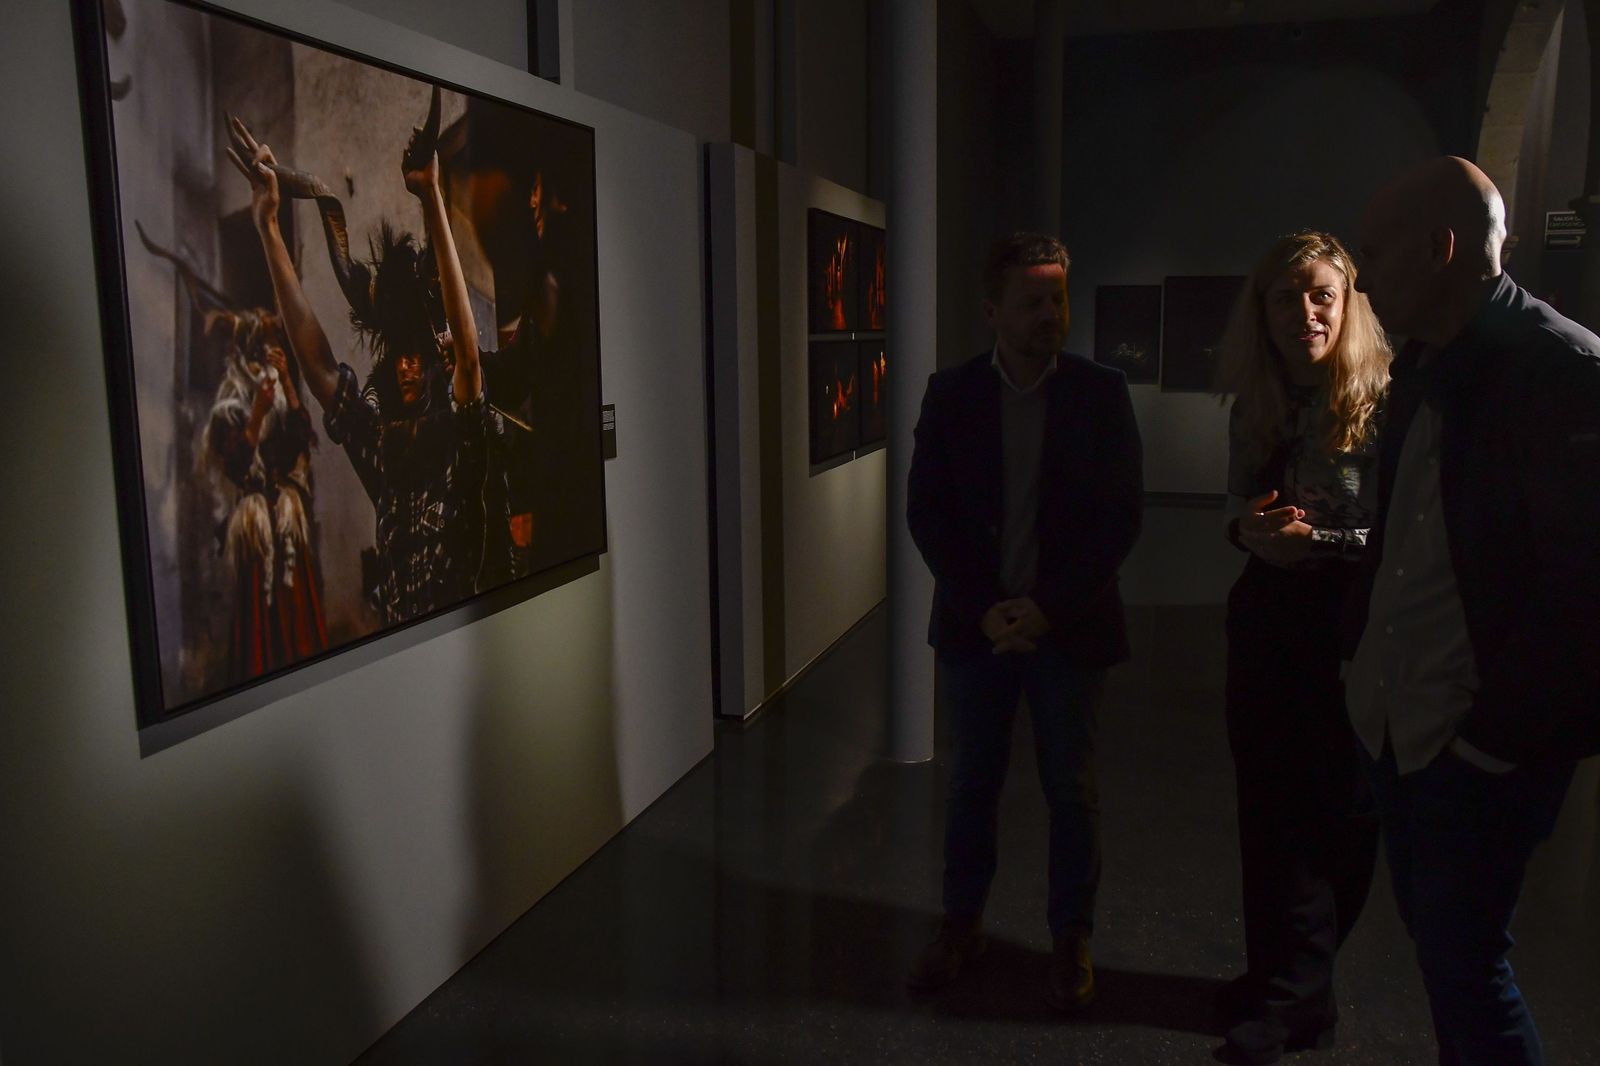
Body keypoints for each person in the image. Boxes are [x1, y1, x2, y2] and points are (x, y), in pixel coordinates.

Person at [1345, 155, 1600, 1064]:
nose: (1362, 276)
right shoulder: (1424, 365)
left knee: (1468, 967)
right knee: (1448, 959)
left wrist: (1491, 744)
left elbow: (1582, 603)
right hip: (1404, 729)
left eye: (1375, 253)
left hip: (1476, 749)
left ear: (1442, 249)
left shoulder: (1562, 371)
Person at [904, 232, 1143, 1009]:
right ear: (992, 311)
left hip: (1066, 632)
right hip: (981, 632)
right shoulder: (952, 394)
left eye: (1059, 298)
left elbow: (1119, 521)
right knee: (973, 782)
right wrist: (987, 610)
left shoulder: (1101, 395)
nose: (1051, 314)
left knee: (1071, 789)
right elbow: (927, 513)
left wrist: (1044, 608)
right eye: (1033, 301)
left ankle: (1071, 936)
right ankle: (961, 924)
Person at [1212, 232, 1389, 1064]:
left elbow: (1390, 534)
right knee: (1264, 812)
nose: (1305, 311)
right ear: (1263, 312)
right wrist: (1247, 530)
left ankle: (1297, 1001)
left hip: (1343, 627)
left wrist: (1310, 538)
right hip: (1265, 620)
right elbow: (1235, 500)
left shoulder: (1381, 399)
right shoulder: (1258, 395)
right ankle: (1269, 980)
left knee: (1331, 821)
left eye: (1319, 293)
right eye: (1286, 297)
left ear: (1347, 299)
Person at [227, 112, 496, 625]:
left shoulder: (462, 441)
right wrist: (267, 225)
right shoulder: (382, 446)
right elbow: (320, 366)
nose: (406, 365)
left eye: (417, 352)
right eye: (399, 352)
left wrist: (431, 195)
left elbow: (467, 355)